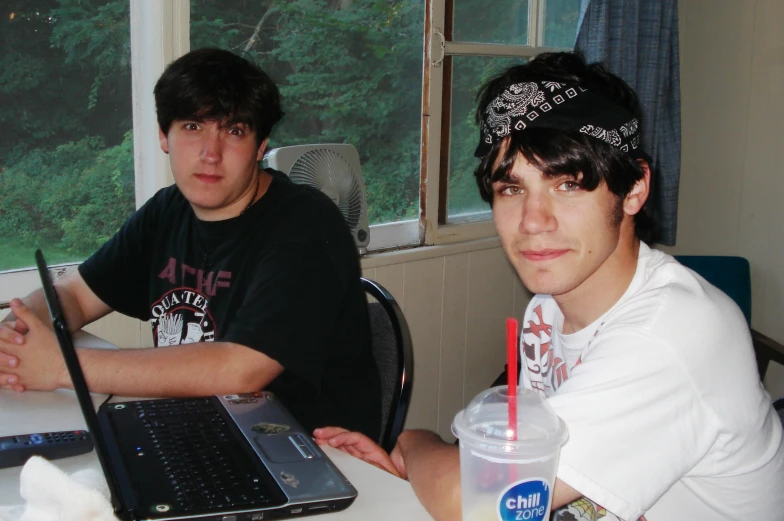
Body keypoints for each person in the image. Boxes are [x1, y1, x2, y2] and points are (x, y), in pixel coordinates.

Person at [313, 52, 784, 520]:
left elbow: (480, 506)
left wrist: (412, 445)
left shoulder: (670, 334)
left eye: (569, 184)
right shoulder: (547, 311)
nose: (533, 222)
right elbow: (516, 480)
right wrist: (405, 475)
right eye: (512, 189)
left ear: (635, 188)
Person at [0, 48, 381, 440]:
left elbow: (240, 370)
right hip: (199, 432)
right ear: (165, 136)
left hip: (305, 455)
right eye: (193, 127)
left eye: (234, 131)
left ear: (261, 146)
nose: (210, 154)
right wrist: (14, 335)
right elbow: (75, 297)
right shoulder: (168, 211)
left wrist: (62, 367)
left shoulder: (306, 226)